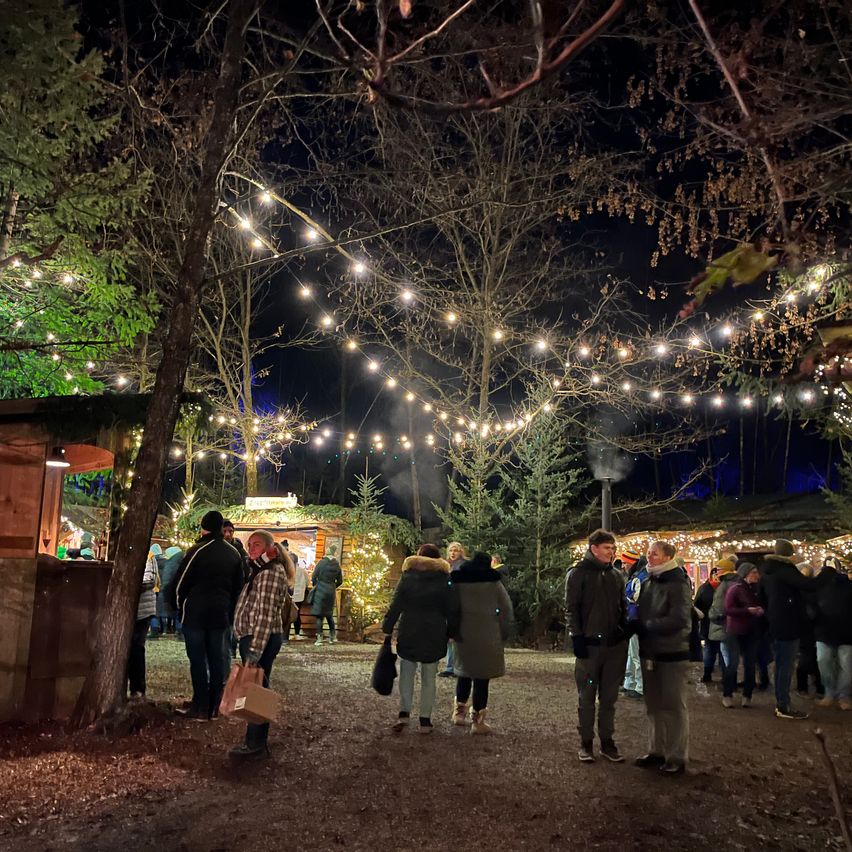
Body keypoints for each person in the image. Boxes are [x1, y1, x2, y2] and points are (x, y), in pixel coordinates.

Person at [166, 510, 245, 721]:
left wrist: (177, 607)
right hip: (220, 614)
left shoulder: (197, 551)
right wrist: (230, 611)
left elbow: (180, 583)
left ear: (203, 527)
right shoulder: (234, 553)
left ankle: (200, 705)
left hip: (196, 614)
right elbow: (239, 587)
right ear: (221, 528)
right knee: (217, 659)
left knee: (198, 660)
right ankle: (214, 706)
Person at [382, 544, 460, 734]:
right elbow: (452, 608)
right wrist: (452, 632)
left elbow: (397, 603)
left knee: (407, 673)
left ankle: (404, 713)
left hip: (410, 628)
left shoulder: (408, 576)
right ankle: (425, 719)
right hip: (435, 630)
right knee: (429, 677)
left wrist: (388, 625)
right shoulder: (444, 579)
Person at [565, 529, 628, 763]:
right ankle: (586, 742)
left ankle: (607, 742)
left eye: (612, 549)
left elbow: (623, 606)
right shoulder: (578, 574)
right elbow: (571, 607)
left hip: (613, 647)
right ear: (594, 549)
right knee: (587, 696)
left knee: (609, 697)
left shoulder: (615, 575)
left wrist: (624, 629)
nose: (611, 553)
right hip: (590, 648)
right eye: (606, 548)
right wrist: (577, 637)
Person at [229, 529, 290, 760]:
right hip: (255, 636)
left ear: (268, 548)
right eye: (249, 545)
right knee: (257, 689)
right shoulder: (260, 570)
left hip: (259, 637)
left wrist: (254, 650)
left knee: (256, 693)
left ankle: (254, 744)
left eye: (256, 545)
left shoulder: (269, 573)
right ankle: (255, 742)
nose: (251, 549)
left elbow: (264, 614)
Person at [633, 540, 692, 776]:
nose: (650, 557)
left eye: (654, 554)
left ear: (668, 557)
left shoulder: (677, 583)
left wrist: (648, 625)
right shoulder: (649, 581)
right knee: (654, 704)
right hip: (651, 651)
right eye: (648, 553)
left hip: (671, 652)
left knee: (674, 705)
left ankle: (676, 755)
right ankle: (656, 750)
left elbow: (680, 618)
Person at [450, 551, 513, 734]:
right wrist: (504, 633)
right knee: (482, 678)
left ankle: (459, 712)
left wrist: (452, 630)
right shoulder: (494, 583)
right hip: (488, 634)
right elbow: (506, 610)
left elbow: (452, 608)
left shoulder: (458, 582)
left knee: (464, 672)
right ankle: (477, 721)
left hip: (463, 632)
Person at [760, 539, 818, 720]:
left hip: (776, 624)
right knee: (786, 665)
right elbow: (809, 585)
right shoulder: (785, 570)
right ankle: (783, 705)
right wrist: (829, 571)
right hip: (788, 624)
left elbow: (761, 595)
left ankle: (781, 701)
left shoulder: (767, 571)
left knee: (781, 664)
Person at [721, 563, 763, 708]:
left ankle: (747, 694)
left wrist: (760, 610)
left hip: (752, 631)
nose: (757, 575)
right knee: (732, 664)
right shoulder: (735, 589)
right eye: (754, 572)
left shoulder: (757, 589)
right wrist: (747, 611)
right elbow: (728, 609)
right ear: (745, 573)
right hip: (735, 631)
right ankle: (727, 694)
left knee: (750, 664)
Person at [814, 557, 852, 710]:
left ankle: (843, 695)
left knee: (846, 666)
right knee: (825, 662)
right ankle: (830, 693)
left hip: (846, 632)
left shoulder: (848, 586)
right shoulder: (820, 587)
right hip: (824, 632)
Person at [128, 546, 159, 699]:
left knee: (136, 647)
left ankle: (138, 689)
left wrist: (127, 584)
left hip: (142, 609)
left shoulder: (148, 556)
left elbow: (149, 581)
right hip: (132, 609)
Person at [707, 558, 739, 706]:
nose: (716, 571)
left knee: (727, 662)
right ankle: (733, 689)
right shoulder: (739, 583)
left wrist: (712, 615)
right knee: (732, 660)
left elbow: (718, 609)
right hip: (736, 627)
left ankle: (728, 693)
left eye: (718, 569)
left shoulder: (724, 585)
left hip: (725, 628)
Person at [795, 561, 824, 699]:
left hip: (814, 627)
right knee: (806, 658)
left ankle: (818, 686)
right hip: (804, 628)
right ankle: (803, 686)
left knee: (815, 658)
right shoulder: (798, 590)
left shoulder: (813, 590)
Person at [439, 541, 468, 677]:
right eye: (451, 551)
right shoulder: (446, 565)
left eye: (455, 550)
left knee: (456, 637)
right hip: (448, 604)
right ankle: (451, 666)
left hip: (459, 604)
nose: (453, 553)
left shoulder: (463, 566)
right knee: (450, 637)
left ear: (460, 551)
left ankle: (455, 666)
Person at [621, 550, 647, 700]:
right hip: (633, 619)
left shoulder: (639, 578)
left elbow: (637, 598)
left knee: (636, 654)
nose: (623, 565)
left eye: (625, 562)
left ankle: (640, 686)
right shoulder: (638, 576)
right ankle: (630, 683)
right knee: (632, 654)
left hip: (636, 619)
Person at [694, 566, 723, 683]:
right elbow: (696, 605)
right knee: (710, 649)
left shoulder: (706, 588)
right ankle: (708, 673)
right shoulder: (705, 588)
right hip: (709, 624)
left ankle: (717, 674)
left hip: (717, 624)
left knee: (715, 650)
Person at [311, 543, 343, 644]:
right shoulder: (337, 564)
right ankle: (332, 637)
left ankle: (319, 638)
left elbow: (313, 577)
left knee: (319, 615)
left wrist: (317, 585)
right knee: (329, 614)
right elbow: (340, 581)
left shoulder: (321, 563)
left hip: (320, 589)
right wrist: (333, 586)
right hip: (331, 591)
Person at [156, 546, 184, 637]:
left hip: (168, 591)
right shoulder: (182, 561)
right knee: (178, 611)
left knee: (164, 611)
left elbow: (166, 579)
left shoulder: (170, 563)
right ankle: (179, 631)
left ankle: (163, 629)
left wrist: (164, 589)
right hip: (179, 591)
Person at [290, 554, 309, 640]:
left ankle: (286, 634)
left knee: (287, 615)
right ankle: (297, 633)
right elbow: (307, 582)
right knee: (297, 614)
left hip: (290, 596)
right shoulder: (302, 571)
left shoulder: (288, 570)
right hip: (299, 596)